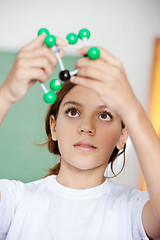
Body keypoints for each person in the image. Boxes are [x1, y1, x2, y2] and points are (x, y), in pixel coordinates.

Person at [0, 34, 160, 240]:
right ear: (54, 127)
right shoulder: (15, 201)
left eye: (104, 115)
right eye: (73, 112)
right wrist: (6, 95)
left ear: (123, 136)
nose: (86, 127)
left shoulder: (135, 211)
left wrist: (131, 107)